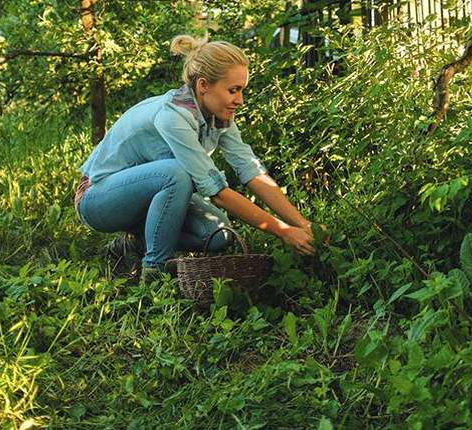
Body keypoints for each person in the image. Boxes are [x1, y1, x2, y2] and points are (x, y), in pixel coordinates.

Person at [74, 35, 316, 282]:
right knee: (175, 173)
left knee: (220, 234)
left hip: (145, 197)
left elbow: (251, 171)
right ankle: (153, 274)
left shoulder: (219, 116)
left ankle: (133, 244)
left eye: (242, 90)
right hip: (97, 198)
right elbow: (218, 194)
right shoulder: (174, 115)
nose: (240, 100)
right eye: (233, 90)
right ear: (203, 85)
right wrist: (283, 231)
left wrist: (302, 224)